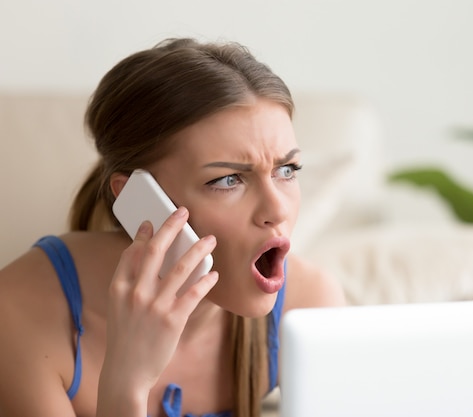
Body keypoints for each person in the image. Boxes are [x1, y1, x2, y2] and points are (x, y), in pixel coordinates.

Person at [0, 38, 346, 417]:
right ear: (136, 198)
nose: (277, 209)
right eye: (228, 179)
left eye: (286, 171)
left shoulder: (308, 310)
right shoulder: (17, 314)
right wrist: (126, 383)